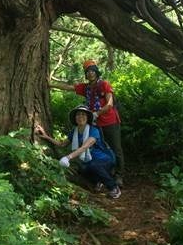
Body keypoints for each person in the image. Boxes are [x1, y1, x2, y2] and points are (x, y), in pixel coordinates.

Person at [52, 59, 125, 187]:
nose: (90, 73)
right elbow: (69, 87)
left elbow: (110, 104)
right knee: (98, 149)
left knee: (115, 148)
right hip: (95, 123)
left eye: (92, 71)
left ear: (96, 72)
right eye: (88, 72)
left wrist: (97, 113)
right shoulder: (85, 88)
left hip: (110, 121)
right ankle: (103, 174)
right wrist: (50, 84)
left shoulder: (104, 84)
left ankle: (119, 175)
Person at [35, 104, 121, 199]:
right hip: (90, 161)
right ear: (75, 118)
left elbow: (84, 147)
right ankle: (98, 181)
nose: (80, 117)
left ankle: (114, 187)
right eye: (78, 114)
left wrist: (68, 157)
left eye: (83, 114)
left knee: (94, 166)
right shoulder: (74, 132)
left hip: (106, 159)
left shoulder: (94, 130)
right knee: (82, 170)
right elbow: (62, 144)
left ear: (88, 118)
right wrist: (46, 136)